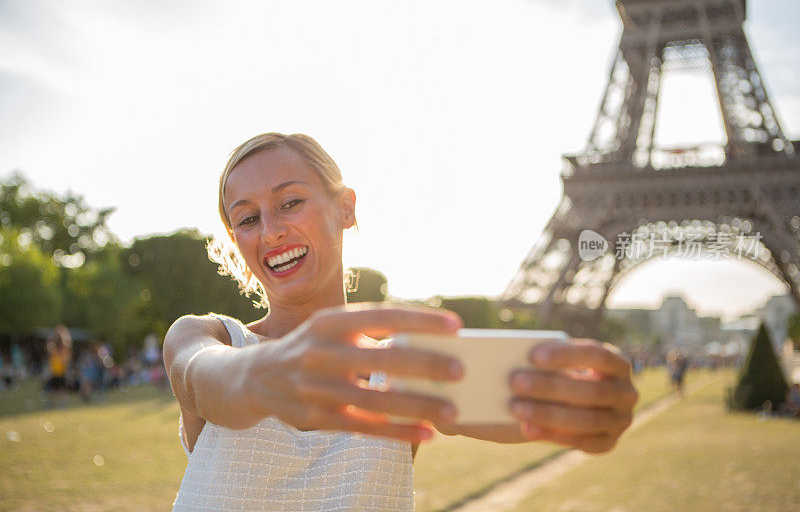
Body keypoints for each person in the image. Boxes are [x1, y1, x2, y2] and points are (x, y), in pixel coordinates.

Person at [164, 133, 639, 510]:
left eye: (290, 203)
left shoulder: (400, 369)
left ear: (344, 207)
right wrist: (264, 373)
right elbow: (206, 377)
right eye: (246, 219)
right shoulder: (203, 337)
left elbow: (509, 403)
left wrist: (587, 405)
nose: (270, 230)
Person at [44, 325, 73, 408]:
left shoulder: (65, 348)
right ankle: (50, 403)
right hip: (54, 371)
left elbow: (67, 349)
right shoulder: (53, 347)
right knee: (52, 389)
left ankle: (62, 403)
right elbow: (49, 347)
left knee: (62, 389)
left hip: (62, 371)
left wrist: (63, 334)